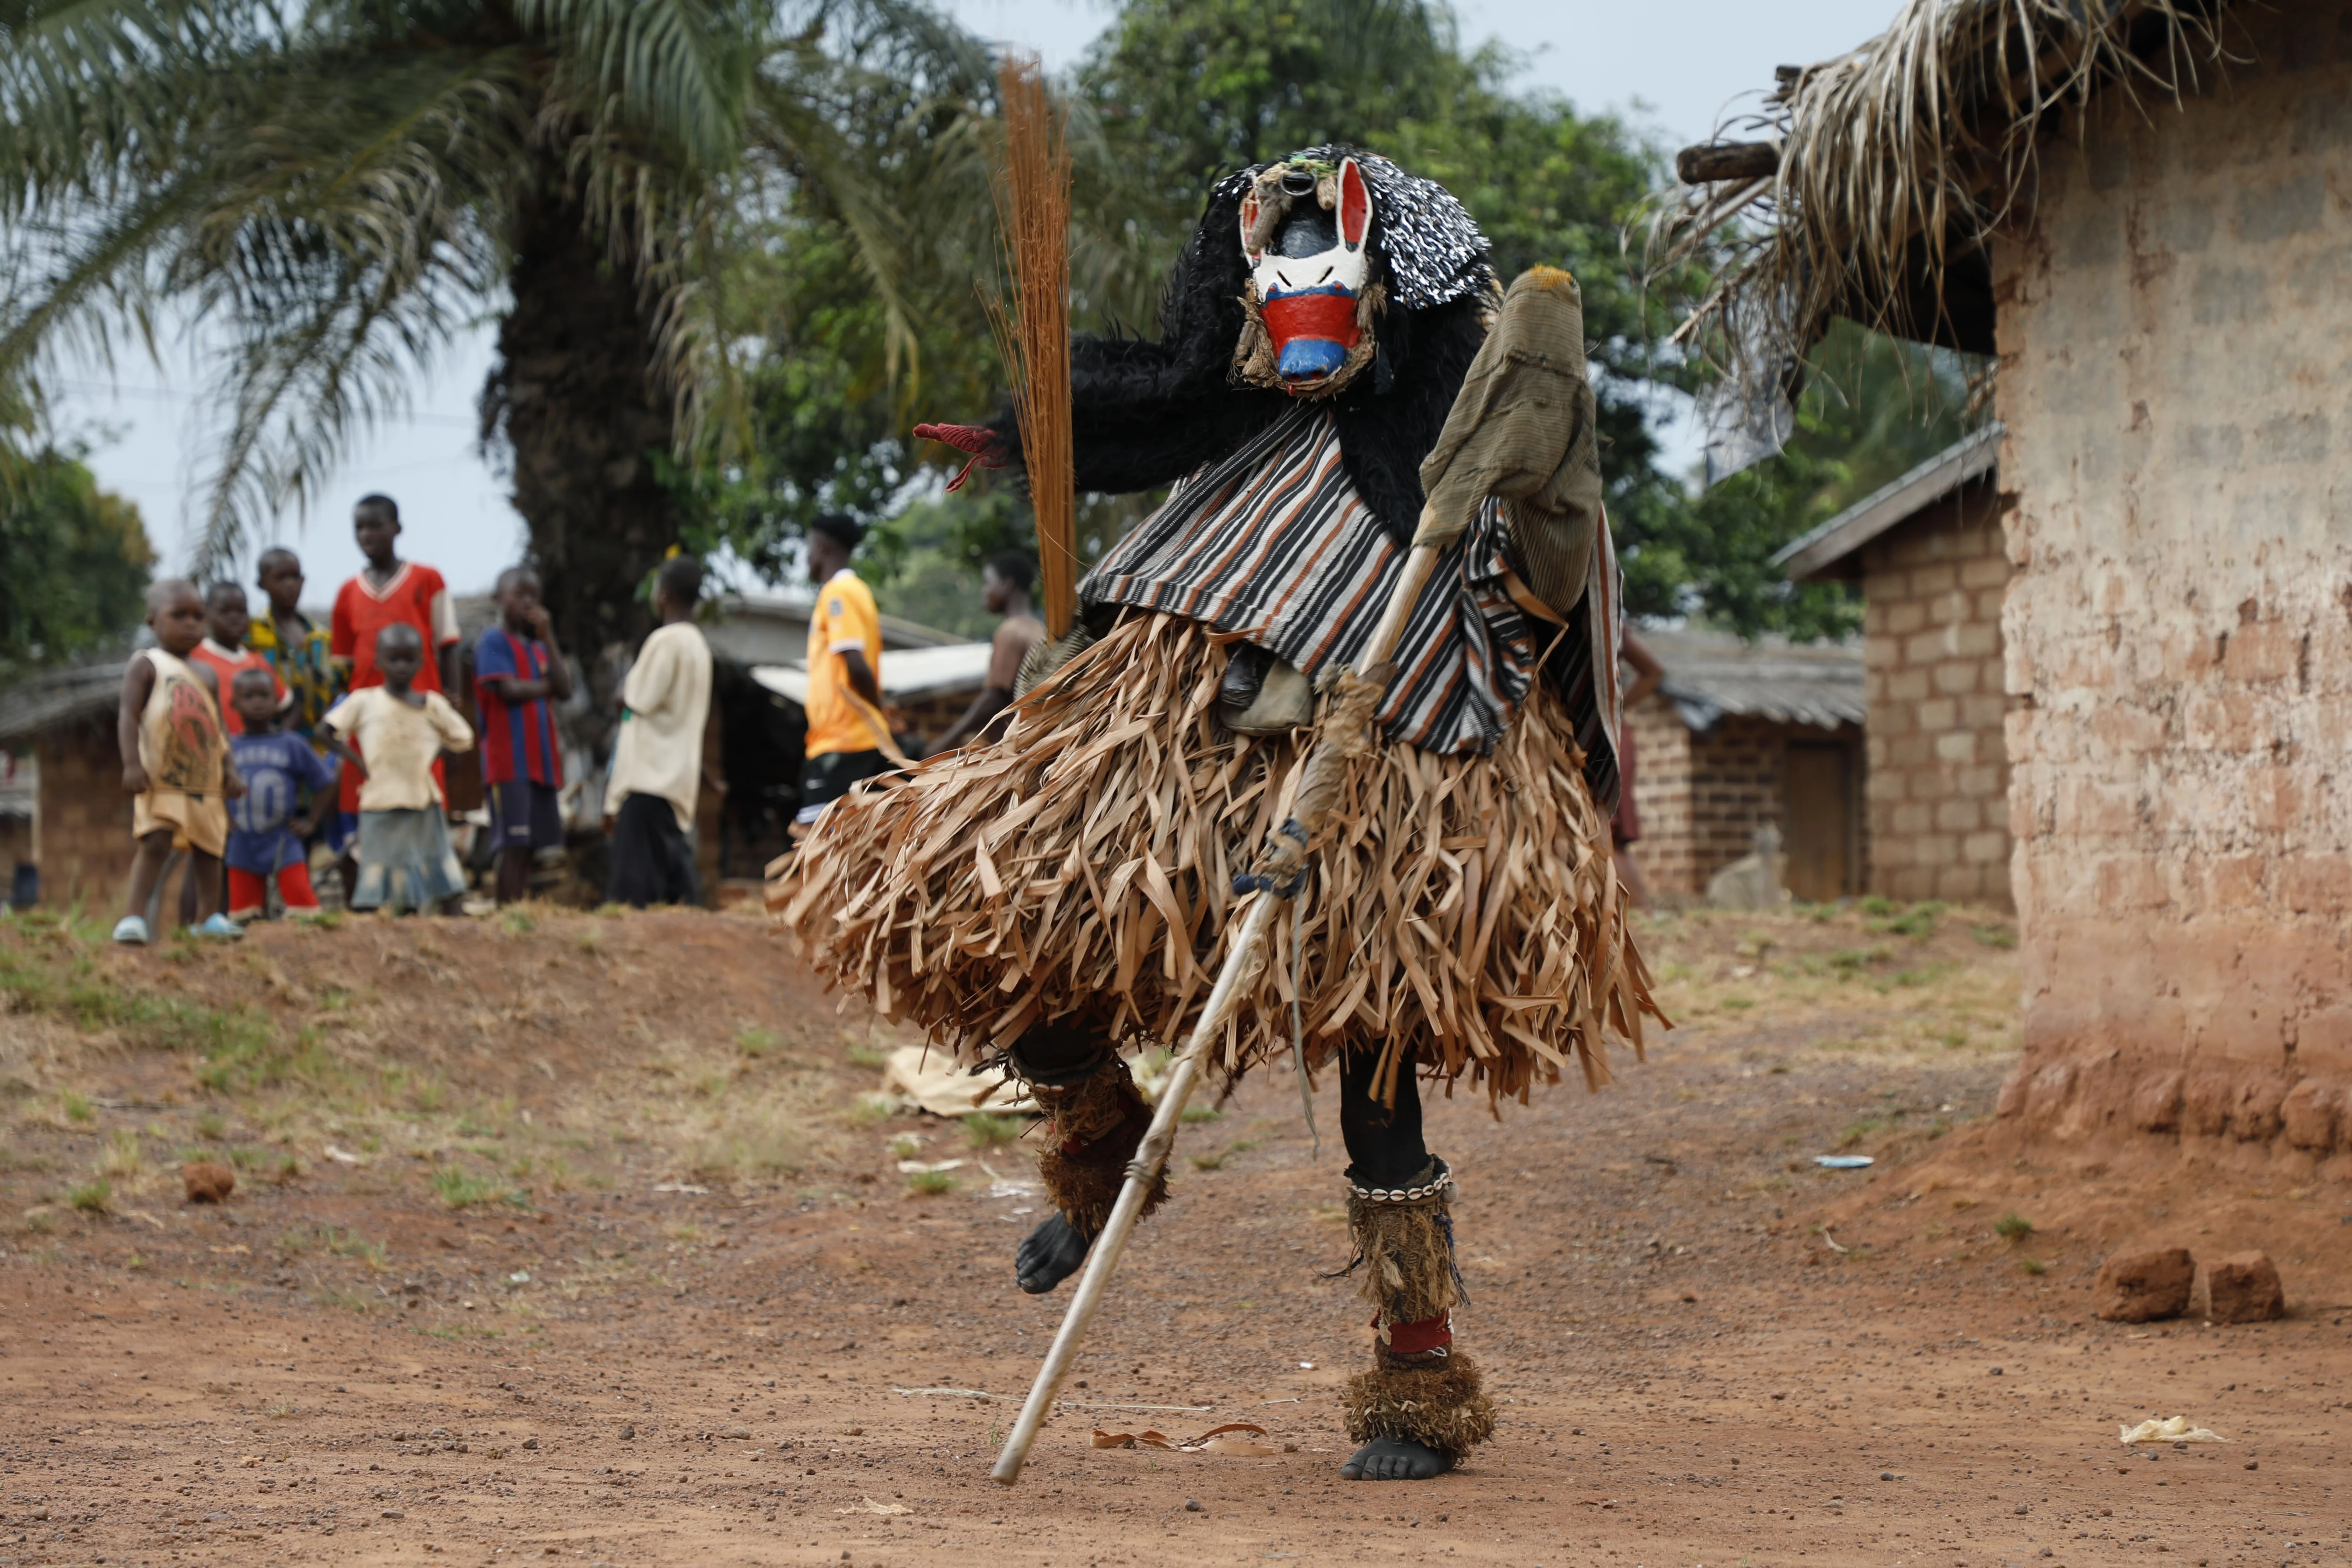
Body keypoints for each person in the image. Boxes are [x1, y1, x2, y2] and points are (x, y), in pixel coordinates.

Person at [778, 151, 1659, 1483]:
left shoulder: (1459, 446)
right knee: (1021, 944)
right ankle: (1102, 1155)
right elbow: (1141, 415)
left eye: (1329, 296)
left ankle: (1417, 1377)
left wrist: (1530, 496)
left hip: (1396, 778)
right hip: (1174, 743)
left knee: (1378, 1095)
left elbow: (1563, 574)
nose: (1299, 333)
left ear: (1388, 297)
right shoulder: (1235, 449)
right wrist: (1025, 436)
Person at [328, 494, 460, 887]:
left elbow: (449, 643)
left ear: (397, 528)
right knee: (366, 802)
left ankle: (426, 892)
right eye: (360, 528)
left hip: (418, 715)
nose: (367, 535)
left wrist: (451, 701)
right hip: (369, 721)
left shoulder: (428, 580)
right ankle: (369, 897)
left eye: (376, 525)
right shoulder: (347, 593)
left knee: (423, 799)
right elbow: (344, 666)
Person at [113, 581, 246, 944]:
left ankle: (208, 918)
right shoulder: (147, 664)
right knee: (156, 842)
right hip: (164, 777)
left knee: (210, 850)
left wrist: (230, 770)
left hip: (205, 781)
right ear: (153, 621)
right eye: (179, 615)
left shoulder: (207, 674)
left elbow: (218, 728)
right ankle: (133, 917)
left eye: (198, 617)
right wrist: (131, 764)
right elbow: (128, 715)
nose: (191, 624)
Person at [322, 624, 475, 914]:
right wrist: (356, 760)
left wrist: (431, 755)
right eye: (394, 659)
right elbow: (325, 731)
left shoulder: (432, 705)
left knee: (434, 863)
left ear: (421, 662)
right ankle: (374, 927)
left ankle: (445, 921)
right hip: (380, 801)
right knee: (376, 869)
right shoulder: (364, 702)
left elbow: (463, 738)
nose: (401, 666)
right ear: (379, 660)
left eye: (409, 659)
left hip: (422, 800)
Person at [604, 555, 713, 907]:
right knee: (677, 899)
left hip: (647, 783)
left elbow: (633, 699)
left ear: (663, 594)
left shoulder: (665, 641)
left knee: (630, 902)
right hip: (676, 785)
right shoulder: (699, 647)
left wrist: (623, 690)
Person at [792, 512, 899, 834]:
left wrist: (877, 713)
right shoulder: (852, 591)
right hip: (844, 740)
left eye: (810, 547)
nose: (807, 557)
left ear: (823, 547)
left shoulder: (839, 593)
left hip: (844, 741)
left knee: (815, 845)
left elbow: (856, 664)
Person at [473, 566, 573, 906]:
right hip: (508, 763)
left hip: (540, 763)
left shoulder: (539, 649)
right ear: (498, 598)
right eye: (519, 594)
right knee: (513, 843)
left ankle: (521, 911)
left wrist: (549, 636)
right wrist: (548, 688)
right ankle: (506, 913)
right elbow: (507, 689)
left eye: (534, 596)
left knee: (533, 845)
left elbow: (566, 689)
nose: (528, 602)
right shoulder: (493, 641)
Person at [223, 668, 338, 922]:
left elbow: (326, 782)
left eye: (265, 696)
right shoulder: (227, 747)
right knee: (243, 916)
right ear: (234, 704)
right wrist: (224, 818)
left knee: (305, 912)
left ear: (277, 702)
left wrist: (312, 820)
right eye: (249, 697)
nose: (258, 703)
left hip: (284, 841)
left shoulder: (291, 743)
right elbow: (214, 788)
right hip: (242, 844)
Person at [926, 551, 1048, 755]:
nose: (984, 591)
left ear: (1006, 585)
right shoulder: (1040, 629)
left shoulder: (1011, 631)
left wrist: (944, 742)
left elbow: (995, 697)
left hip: (1016, 752)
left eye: (987, 583)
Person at [247, 547, 344, 752]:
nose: (290, 585)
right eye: (281, 578)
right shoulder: (251, 635)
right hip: (268, 747)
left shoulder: (322, 639)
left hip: (319, 751)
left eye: (295, 577)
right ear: (262, 584)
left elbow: (340, 689)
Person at [1612, 626, 1666, 910]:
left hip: (1604, 739)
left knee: (1609, 834)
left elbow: (1654, 672)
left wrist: (1616, 708)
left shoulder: (1601, 615)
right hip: (1608, 734)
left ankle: (1641, 915)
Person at [188, 581, 285, 736]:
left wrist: (276, 740)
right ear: (206, 615)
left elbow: (286, 705)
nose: (235, 618)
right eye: (225, 611)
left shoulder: (258, 662)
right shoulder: (193, 659)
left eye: (241, 611)